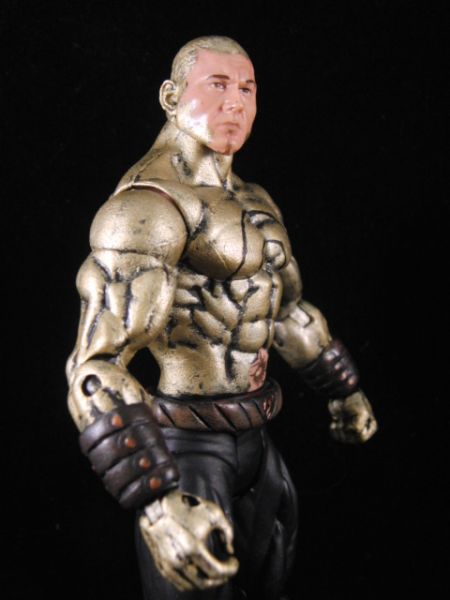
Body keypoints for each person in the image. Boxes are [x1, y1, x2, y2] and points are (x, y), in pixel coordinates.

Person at [66, 36, 377, 600]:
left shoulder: (255, 201)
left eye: (247, 89)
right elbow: (94, 368)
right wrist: (157, 502)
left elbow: (285, 311)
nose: (236, 102)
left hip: (258, 443)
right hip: (184, 454)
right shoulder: (146, 207)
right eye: (217, 86)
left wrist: (343, 390)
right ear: (171, 96)